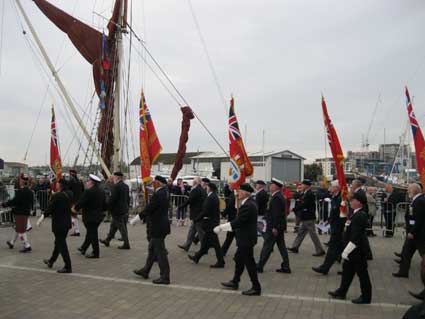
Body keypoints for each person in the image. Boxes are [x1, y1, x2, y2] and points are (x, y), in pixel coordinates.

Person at [215, 183, 261, 296]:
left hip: (246, 239)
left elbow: (238, 221)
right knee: (239, 260)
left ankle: (256, 287)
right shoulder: (248, 203)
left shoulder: (248, 205)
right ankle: (235, 281)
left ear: (246, 193)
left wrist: (221, 227)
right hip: (246, 238)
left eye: (240, 191)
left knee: (249, 263)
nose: (238, 193)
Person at [328, 192, 372, 304]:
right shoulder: (355, 214)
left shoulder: (360, 216)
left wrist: (346, 252)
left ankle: (366, 297)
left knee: (362, 274)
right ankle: (341, 291)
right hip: (352, 250)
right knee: (347, 272)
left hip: (357, 251)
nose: (351, 202)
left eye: (353, 200)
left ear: (359, 202)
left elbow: (356, 237)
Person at [131, 175, 171, 285]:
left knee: (160, 253)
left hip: (159, 227)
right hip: (161, 225)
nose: (152, 184)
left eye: (153, 182)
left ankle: (165, 276)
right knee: (152, 249)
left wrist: (137, 218)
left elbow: (149, 208)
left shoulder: (159, 194)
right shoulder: (164, 191)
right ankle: (145, 270)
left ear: (158, 183)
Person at [257, 178, 291, 274]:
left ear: (276, 187)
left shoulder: (276, 198)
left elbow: (277, 214)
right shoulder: (278, 196)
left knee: (267, 246)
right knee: (281, 247)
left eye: (271, 185)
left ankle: (260, 266)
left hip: (274, 227)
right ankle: (286, 266)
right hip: (278, 226)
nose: (270, 186)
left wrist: (275, 227)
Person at [39, 179, 73, 273]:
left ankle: (68, 266)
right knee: (58, 243)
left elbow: (50, 208)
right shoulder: (70, 193)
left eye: (57, 183)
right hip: (66, 223)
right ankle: (51, 261)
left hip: (59, 224)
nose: (56, 184)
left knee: (62, 245)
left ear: (60, 185)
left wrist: (43, 216)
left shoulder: (57, 195)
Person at [312, 181, 346, 275]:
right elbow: (333, 212)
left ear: (337, 188)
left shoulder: (341, 199)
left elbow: (341, 214)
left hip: (338, 228)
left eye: (331, 186)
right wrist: (328, 221)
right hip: (335, 226)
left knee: (332, 248)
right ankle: (341, 263)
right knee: (341, 248)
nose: (329, 187)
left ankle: (325, 268)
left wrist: (335, 225)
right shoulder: (335, 197)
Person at [188, 182, 225, 267]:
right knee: (205, 243)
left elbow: (205, 211)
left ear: (210, 188)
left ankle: (221, 262)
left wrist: (196, 219)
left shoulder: (211, 197)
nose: (206, 188)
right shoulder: (213, 196)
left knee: (215, 244)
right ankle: (197, 257)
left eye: (207, 187)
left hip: (211, 224)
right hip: (211, 223)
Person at [393, 183, 425, 278]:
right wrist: (407, 225)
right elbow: (413, 217)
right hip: (413, 232)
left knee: (422, 253)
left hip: (418, 234)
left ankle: (403, 271)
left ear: (415, 190)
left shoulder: (420, 201)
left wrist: (412, 232)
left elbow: (419, 219)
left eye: (409, 189)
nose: (407, 191)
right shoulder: (417, 200)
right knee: (406, 252)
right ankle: (403, 271)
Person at [289, 179, 325, 256]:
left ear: (306, 186)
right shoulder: (305, 193)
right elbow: (298, 198)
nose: (301, 186)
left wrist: (294, 209)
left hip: (309, 218)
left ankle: (320, 250)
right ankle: (295, 247)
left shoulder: (310, 194)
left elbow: (304, 204)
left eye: (302, 184)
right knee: (300, 233)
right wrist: (299, 192)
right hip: (306, 217)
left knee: (313, 235)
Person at [74, 174, 106, 258]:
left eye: (88, 181)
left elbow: (81, 202)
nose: (86, 182)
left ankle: (96, 253)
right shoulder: (101, 191)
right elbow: (105, 205)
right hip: (98, 216)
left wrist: (74, 210)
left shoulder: (88, 191)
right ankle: (83, 248)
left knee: (93, 234)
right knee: (90, 232)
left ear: (92, 182)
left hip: (90, 217)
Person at [2, 174, 34, 253]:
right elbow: (31, 203)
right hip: (25, 212)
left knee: (21, 231)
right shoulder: (30, 191)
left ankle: (27, 245)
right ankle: (12, 242)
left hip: (20, 213)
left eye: (20, 180)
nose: (19, 182)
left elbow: (14, 201)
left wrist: (4, 204)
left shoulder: (21, 192)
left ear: (22, 182)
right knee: (18, 228)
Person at [100, 172, 131, 249]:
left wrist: (107, 208)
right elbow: (128, 198)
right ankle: (107, 240)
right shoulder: (126, 186)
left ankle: (126, 244)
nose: (113, 178)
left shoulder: (116, 187)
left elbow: (112, 199)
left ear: (117, 177)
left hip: (117, 210)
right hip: (124, 209)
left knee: (121, 227)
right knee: (113, 226)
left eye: (114, 177)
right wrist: (127, 207)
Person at [177, 177, 206, 251]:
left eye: (193, 181)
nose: (192, 182)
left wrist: (180, 207)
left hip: (196, 214)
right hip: (199, 213)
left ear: (196, 182)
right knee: (192, 230)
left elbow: (189, 200)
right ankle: (187, 245)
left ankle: (204, 248)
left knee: (200, 232)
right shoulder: (202, 190)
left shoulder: (195, 190)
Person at [350, 179, 373, 260]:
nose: (351, 185)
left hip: (360, 216)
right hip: (360, 215)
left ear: (356, 185)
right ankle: (367, 254)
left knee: (361, 236)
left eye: (352, 184)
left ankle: (366, 254)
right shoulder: (359, 192)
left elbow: (360, 203)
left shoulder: (359, 193)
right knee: (363, 237)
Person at [221, 183, 237, 256]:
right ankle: (223, 251)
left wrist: (223, 214)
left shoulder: (234, 195)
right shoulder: (233, 194)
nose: (228, 187)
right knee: (230, 236)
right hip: (233, 218)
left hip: (233, 219)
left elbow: (229, 207)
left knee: (231, 236)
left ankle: (223, 251)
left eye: (230, 185)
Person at [68, 169, 84, 236]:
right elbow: (83, 190)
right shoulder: (80, 181)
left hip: (72, 200)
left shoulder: (71, 181)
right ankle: (76, 230)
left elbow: (68, 190)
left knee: (73, 215)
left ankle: (76, 230)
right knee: (74, 215)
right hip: (78, 200)